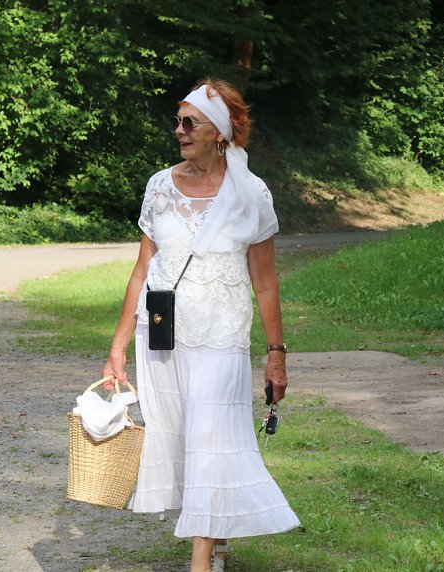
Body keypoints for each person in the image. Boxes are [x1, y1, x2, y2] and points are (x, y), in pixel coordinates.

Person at [102, 79, 299, 572]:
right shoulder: (159, 186)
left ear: (222, 132)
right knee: (186, 437)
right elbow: (142, 268)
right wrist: (118, 344)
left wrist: (276, 354)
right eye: (178, 120)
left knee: (211, 439)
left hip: (221, 334)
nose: (179, 131)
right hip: (164, 334)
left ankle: (200, 561)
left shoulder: (251, 194)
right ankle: (217, 532)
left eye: (190, 122)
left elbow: (267, 282)